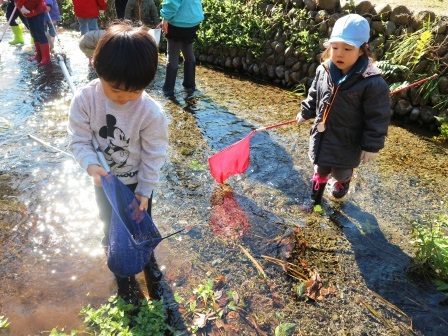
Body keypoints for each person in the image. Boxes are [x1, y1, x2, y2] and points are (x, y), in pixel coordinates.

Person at [68, 22, 168, 303]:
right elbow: (79, 140)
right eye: (115, 90)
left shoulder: (150, 113)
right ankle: (113, 253)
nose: (124, 98)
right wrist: (91, 165)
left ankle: (146, 258)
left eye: (134, 92)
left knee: (141, 221)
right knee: (107, 219)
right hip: (106, 181)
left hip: (137, 182)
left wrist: (145, 191)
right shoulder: (86, 100)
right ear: (97, 68)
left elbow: (154, 155)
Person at [296, 14, 391, 210]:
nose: (339, 54)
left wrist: (371, 146)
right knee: (320, 167)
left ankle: (343, 181)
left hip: (348, 140)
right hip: (322, 135)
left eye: (347, 49)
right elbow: (314, 94)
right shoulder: (324, 70)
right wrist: (305, 112)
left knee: (340, 171)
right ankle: (315, 199)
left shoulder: (372, 82)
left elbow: (377, 117)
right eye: (335, 47)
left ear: (362, 50)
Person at [159, 0, 204, 97]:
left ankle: (168, 90)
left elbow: (172, 3)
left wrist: (165, 18)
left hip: (178, 22)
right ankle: (190, 85)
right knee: (188, 52)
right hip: (194, 20)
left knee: (172, 57)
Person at [15, 0, 51, 65]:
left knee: (40, 33)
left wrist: (26, 7)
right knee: (34, 34)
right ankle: (39, 55)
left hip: (37, 9)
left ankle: (46, 57)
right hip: (28, 12)